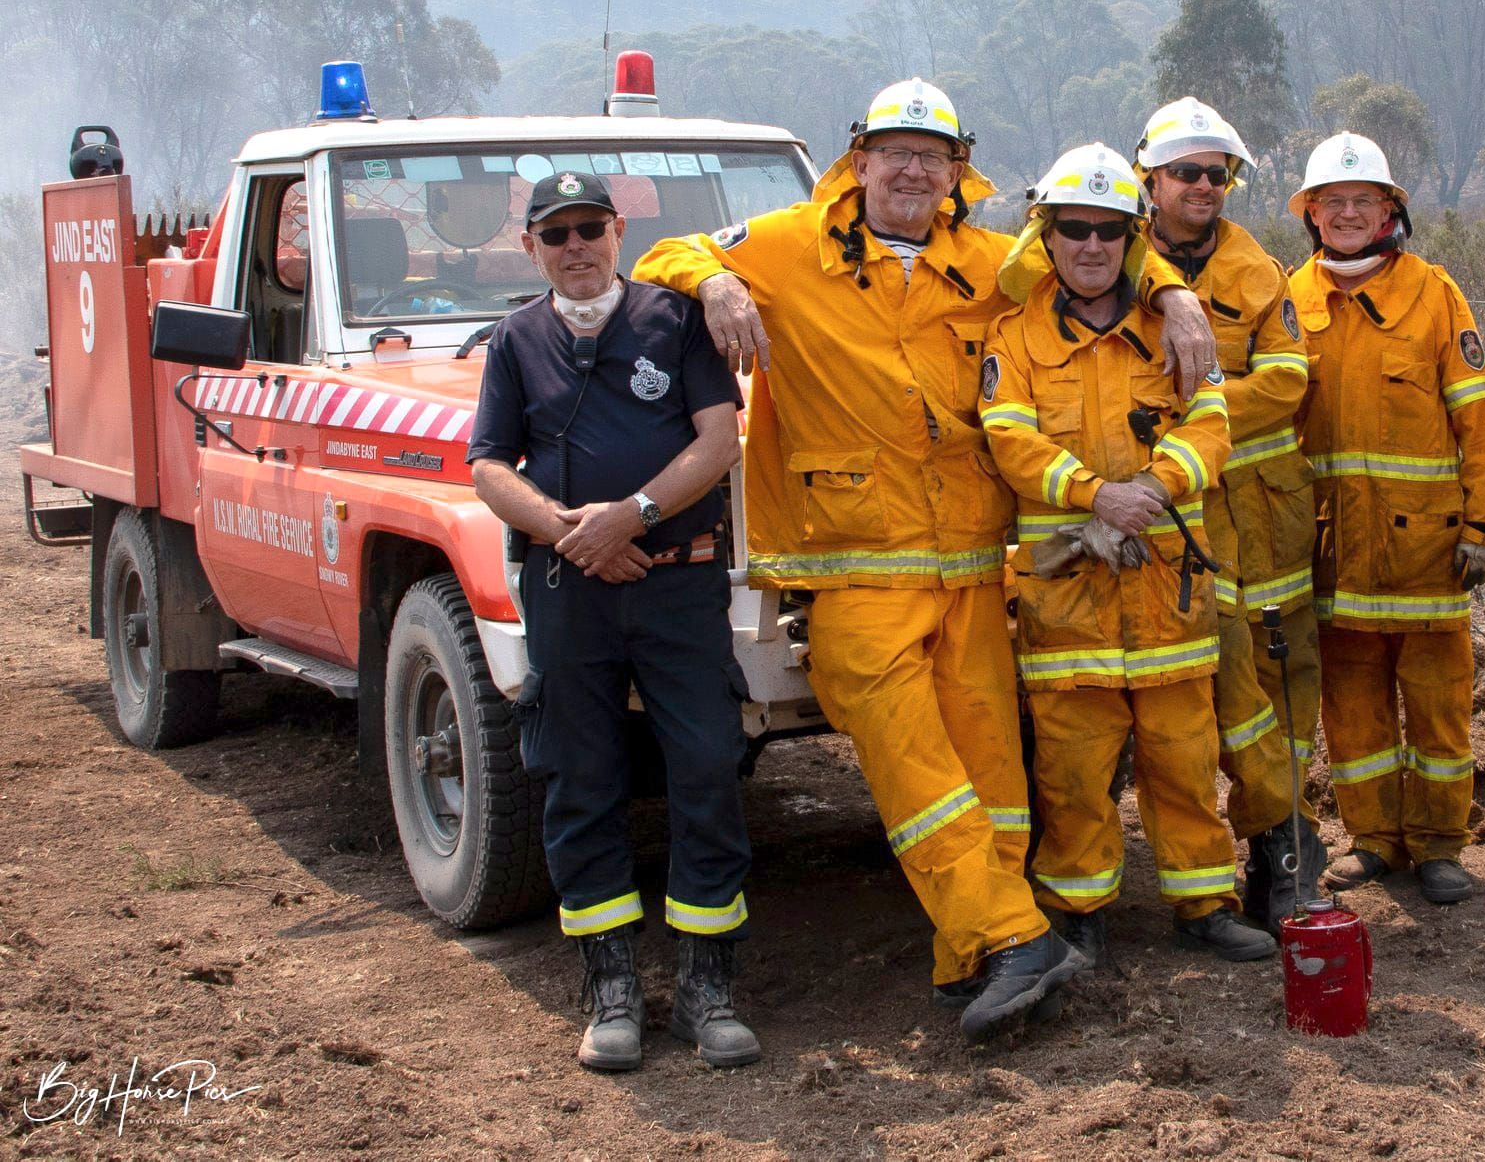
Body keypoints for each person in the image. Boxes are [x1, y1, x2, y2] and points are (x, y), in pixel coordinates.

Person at [633, 80, 1221, 1040]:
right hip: (854, 567)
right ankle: (1015, 933)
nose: (911, 168)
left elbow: (1101, 254)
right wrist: (720, 283)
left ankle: (969, 960)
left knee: (990, 766)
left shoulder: (994, 263)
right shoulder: (786, 246)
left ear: (958, 171)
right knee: (913, 768)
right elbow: (664, 253)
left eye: (931, 154)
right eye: (893, 151)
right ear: (857, 160)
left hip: (971, 567)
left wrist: (1178, 292)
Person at [468, 171, 759, 1071]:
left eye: (590, 227)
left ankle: (708, 986)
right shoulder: (515, 340)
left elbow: (718, 442)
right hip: (571, 590)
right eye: (555, 235)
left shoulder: (675, 322)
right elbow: (486, 465)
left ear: (619, 230)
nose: (576, 247)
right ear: (530, 249)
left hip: (679, 584)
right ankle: (612, 988)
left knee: (707, 765)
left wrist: (629, 514)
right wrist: (569, 532)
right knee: (578, 776)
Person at [981, 143, 1276, 968]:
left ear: (1132, 238)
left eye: (1108, 230)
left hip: (1166, 595)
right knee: (1073, 775)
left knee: (1184, 759)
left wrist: (1155, 484)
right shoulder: (1015, 337)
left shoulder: (1173, 328)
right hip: (1069, 602)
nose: (1090, 245)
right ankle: (1080, 914)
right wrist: (1092, 493)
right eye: (1073, 229)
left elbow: (1212, 420)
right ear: (1046, 236)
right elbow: (1008, 436)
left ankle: (1204, 903)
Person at [1288, 133, 1485, 905]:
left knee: (1440, 702)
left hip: (1427, 552)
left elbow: (1478, 417)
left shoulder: (1434, 294)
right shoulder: (1291, 300)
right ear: (1311, 213)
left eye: (1363, 201)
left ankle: (1441, 844)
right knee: (1350, 705)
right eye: (1332, 202)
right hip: (1331, 550)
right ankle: (1374, 838)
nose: (1347, 214)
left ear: (1390, 211)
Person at [1133, 97, 1327, 927]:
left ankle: (1282, 850)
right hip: (1155, 517)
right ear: (1149, 179)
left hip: (1253, 513)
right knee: (1166, 691)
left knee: (1267, 684)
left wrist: (1194, 409)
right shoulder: (1104, 243)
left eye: (1218, 174)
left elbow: (1287, 380)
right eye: (1186, 172)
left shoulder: (1256, 271)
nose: (1205, 186)